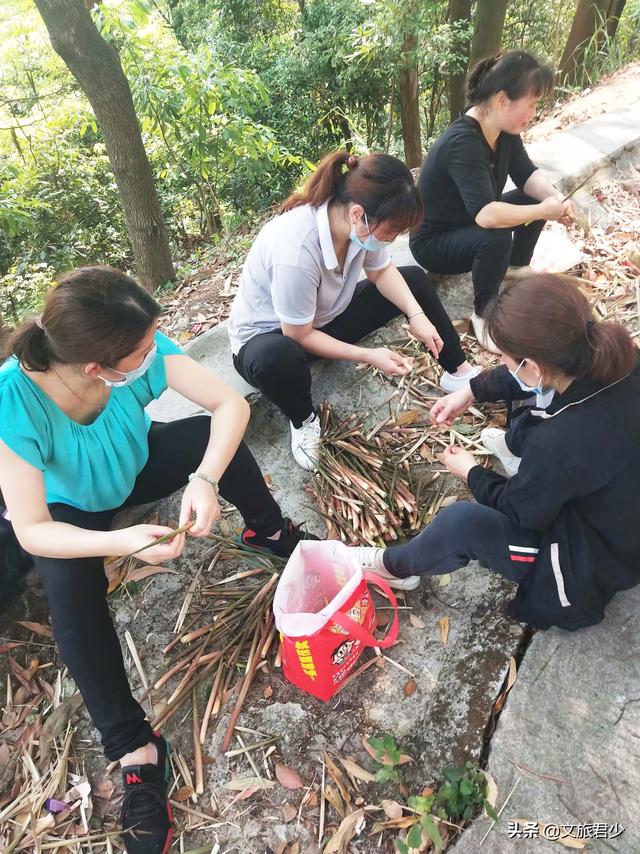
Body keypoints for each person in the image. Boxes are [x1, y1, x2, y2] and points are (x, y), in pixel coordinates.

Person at [0, 266, 316, 854]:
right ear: (98, 367)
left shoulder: (131, 347)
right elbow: (36, 530)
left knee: (205, 436)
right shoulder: (12, 400)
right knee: (68, 593)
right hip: (70, 508)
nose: (155, 353)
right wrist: (120, 543)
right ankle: (134, 748)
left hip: (135, 464)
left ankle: (270, 531)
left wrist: (204, 479)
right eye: (144, 350)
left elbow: (227, 405)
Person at [351, 274, 640, 631]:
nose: (501, 363)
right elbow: (523, 378)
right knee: (530, 402)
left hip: (601, 552)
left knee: (461, 524)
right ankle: (517, 455)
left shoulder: (558, 445)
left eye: (504, 357)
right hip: (616, 489)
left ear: (532, 364)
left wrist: (471, 472)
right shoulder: (614, 355)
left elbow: (524, 513)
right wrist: (470, 391)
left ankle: (391, 566)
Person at [228, 150, 481, 471]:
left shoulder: (355, 226)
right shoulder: (295, 248)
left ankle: (457, 372)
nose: (390, 240)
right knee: (276, 357)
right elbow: (299, 334)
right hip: (273, 340)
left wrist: (416, 315)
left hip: (325, 318)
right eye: (390, 232)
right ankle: (303, 419)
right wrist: (369, 355)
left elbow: (382, 272)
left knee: (413, 280)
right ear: (359, 214)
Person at [410, 51, 576, 353]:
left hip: (468, 223)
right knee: (497, 232)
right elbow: (487, 216)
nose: (533, 113)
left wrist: (554, 199)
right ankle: (484, 314)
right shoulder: (463, 143)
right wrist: (543, 210)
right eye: (531, 105)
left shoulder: (504, 130)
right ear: (502, 100)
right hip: (435, 242)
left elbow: (527, 176)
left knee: (533, 196)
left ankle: (515, 268)